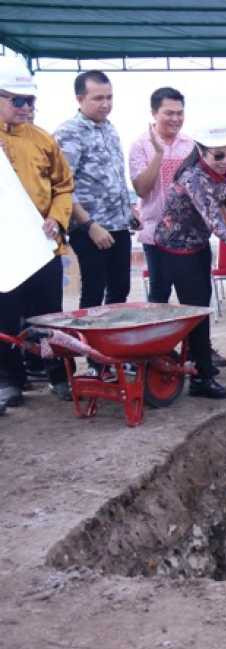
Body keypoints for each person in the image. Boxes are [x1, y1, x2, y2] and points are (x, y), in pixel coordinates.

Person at [153, 121, 226, 399]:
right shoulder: (193, 177)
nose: (225, 161)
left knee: (200, 311)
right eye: (218, 156)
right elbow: (214, 220)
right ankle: (200, 377)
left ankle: (198, 368)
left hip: (198, 246)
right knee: (191, 314)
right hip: (172, 250)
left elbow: (225, 194)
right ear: (201, 152)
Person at [0, 61, 74, 407]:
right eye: (18, 101)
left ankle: (60, 375)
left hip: (44, 247)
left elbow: (64, 186)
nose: (27, 108)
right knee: (4, 316)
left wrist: (57, 220)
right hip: (5, 251)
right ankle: (10, 381)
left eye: (31, 101)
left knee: (49, 316)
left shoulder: (43, 139)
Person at [54, 70, 134, 319]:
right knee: (93, 291)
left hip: (118, 224)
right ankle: (92, 355)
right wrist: (89, 225)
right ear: (80, 99)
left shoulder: (110, 129)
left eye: (109, 97)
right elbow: (63, 186)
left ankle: (114, 350)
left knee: (120, 289)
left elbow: (115, 177)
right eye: (98, 98)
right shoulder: (69, 132)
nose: (106, 104)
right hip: (89, 227)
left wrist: (130, 208)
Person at [129, 87, 192, 303]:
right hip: (156, 237)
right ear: (154, 113)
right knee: (159, 299)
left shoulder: (191, 145)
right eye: (169, 113)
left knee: (192, 301)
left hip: (188, 239)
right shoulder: (140, 145)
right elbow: (141, 189)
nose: (175, 119)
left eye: (179, 113)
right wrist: (158, 154)